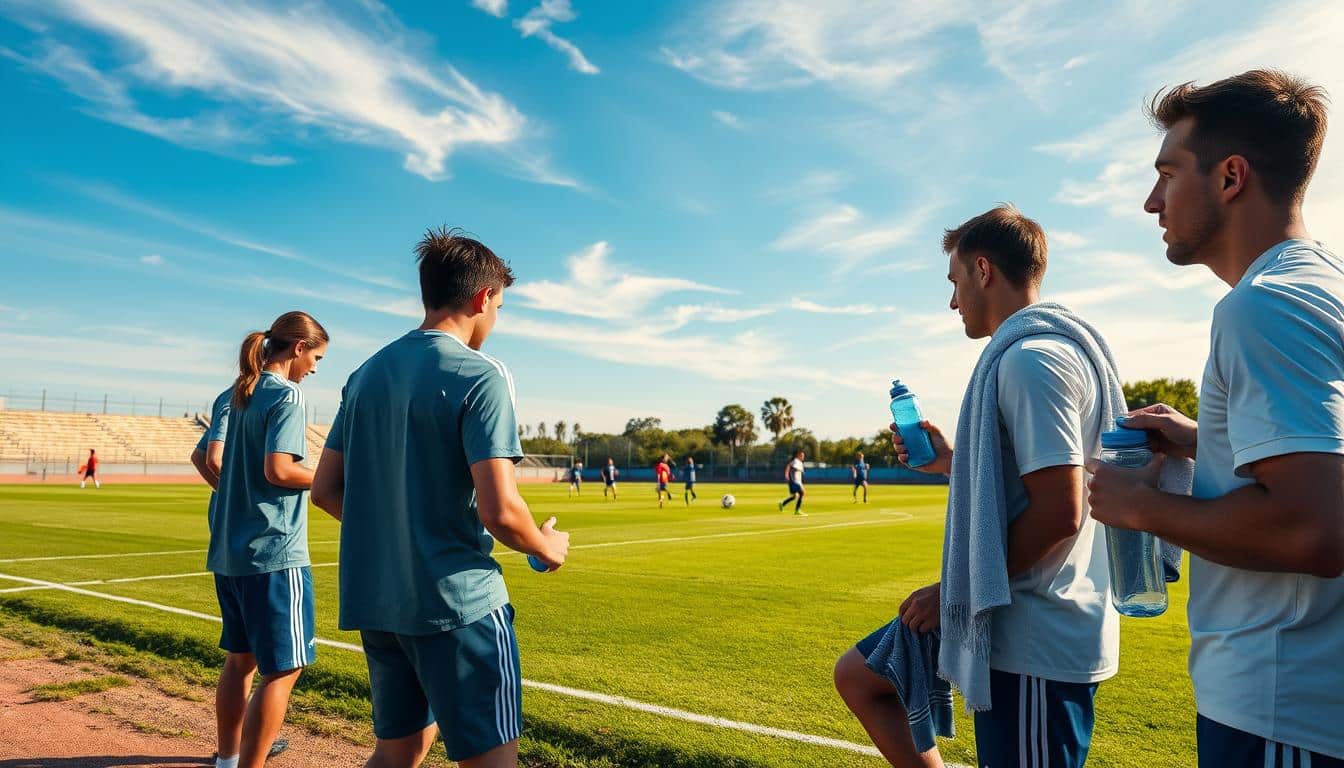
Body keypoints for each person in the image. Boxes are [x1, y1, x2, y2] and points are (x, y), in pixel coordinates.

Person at [1088, 70, 1344, 768]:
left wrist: (1142, 510)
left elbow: (1314, 531)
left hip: (1281, 706)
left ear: (1231, 176)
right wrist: (1205, 442)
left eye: (1168, 174)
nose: (1151, 200)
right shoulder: (1322, 285)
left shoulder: (1265, 306)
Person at [836, 205, 1119, 767]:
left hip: (1036, 639)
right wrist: (953, 462)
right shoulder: (1034, 354)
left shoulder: (1033, 361)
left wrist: (957, 596)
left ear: (983, 270)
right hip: (1012, 622)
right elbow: (1029, 478)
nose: (952, 300)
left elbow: (1061, 510)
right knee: (860, 675)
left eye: (955, 280)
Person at [310, 227, 569, 768]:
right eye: (499, 305)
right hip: (458, 605)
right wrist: (546, 548)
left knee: (401, 747)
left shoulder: (365, 374)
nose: (496, 319)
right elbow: (500, 510)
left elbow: (326, 490)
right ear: (482, 298)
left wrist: (396, 530)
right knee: (491, 758)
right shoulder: (481, 376)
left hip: (380, 602)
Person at [208, 311, 328, 768]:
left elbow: (205, 457)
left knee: (241, 661)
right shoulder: (287, 394)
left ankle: (228, 759)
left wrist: (237, 496)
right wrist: (335, 476)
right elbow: (279, 470)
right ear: (298, 348)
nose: (315, 367)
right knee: (285, 668)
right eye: (315, 356)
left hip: (229, 549)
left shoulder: (238, 391)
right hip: (274, 551)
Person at [778, 450, 806, 516]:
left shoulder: (800, 463)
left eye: (803, 456)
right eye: (802, 455)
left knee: (795, 496)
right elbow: (789, 466)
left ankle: (782, 503)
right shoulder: (796, 461)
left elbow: (799, 471)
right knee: (802, 493)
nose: (803, 457)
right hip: (794, 481)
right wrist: (786, 474)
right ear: (798, 455)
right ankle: (797, 510)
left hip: (798, 482)